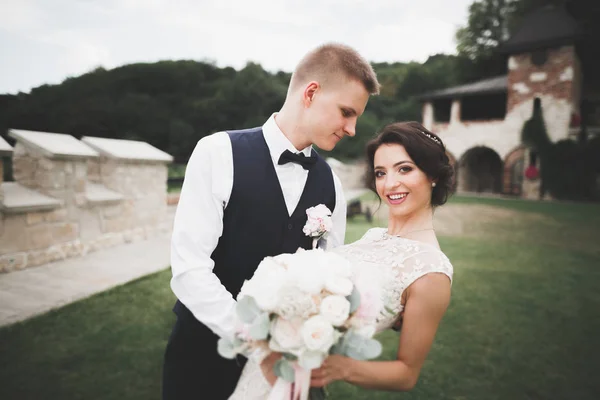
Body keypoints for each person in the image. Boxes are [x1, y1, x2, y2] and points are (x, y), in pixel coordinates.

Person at [161, 43, 380, 400]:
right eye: (346, 112)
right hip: (203, 359)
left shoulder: (332, 185)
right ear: (311, 93)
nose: (353, 129)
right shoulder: (217, 153)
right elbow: (189, 271)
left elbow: (332, 275)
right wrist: (260, 344)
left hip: (293, 372)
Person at [229, 121, 455, 398]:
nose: (390, 184)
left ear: (432, 175)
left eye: (404, 169)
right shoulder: (373, 236)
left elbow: (406, 373)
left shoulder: (431, 271)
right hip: (267, 366)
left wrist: (341, 368)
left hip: (302, 379)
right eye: (381, 173)